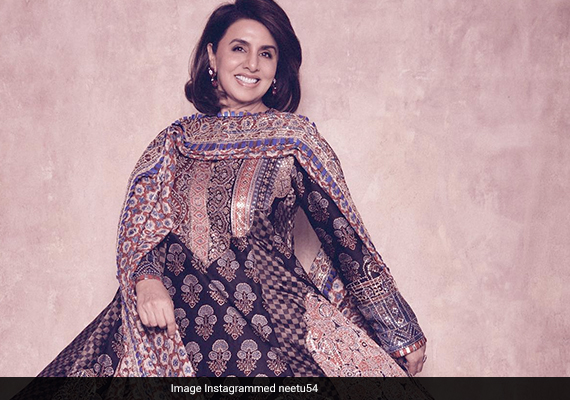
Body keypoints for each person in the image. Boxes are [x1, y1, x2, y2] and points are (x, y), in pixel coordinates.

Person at [37, 0, 427, 379]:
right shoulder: (176, 142)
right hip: (170, 330)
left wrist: (399, 332)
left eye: (267, 54)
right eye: (239, 48)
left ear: (277, 68)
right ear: (212, 55)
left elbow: (346, 239)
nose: (252, 64)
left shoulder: (293, 139)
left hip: (265, 330)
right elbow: (143, 226)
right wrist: (147, 280)